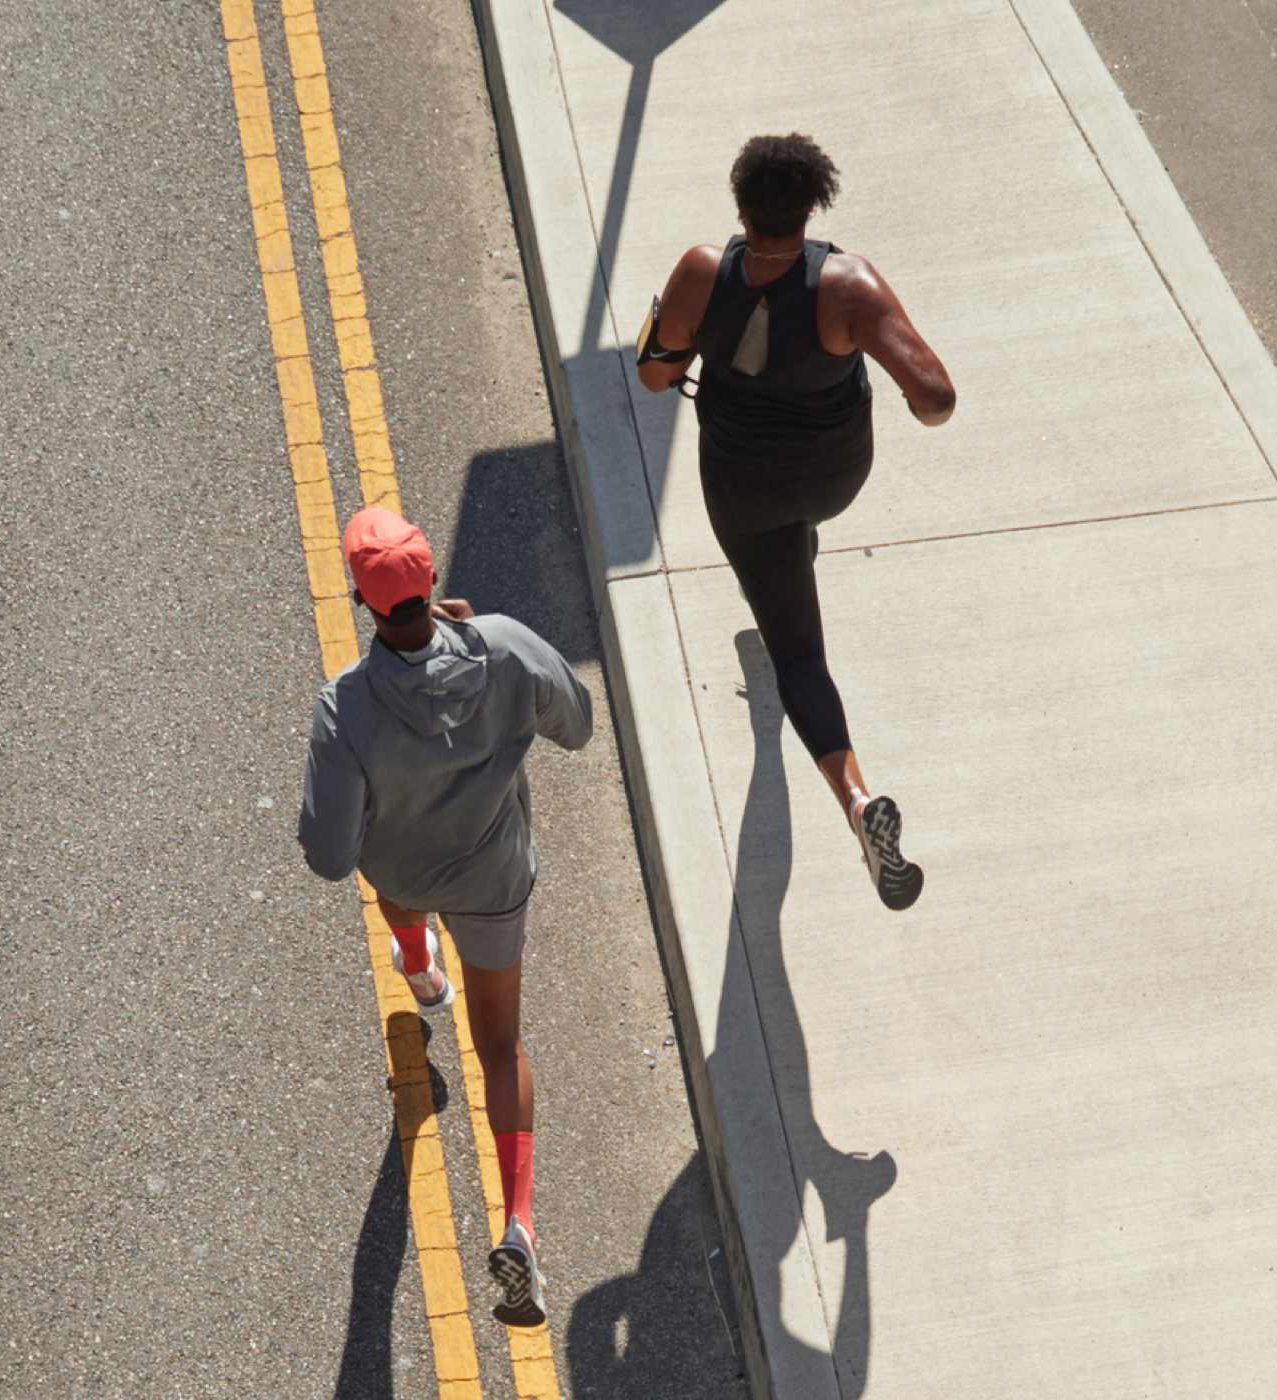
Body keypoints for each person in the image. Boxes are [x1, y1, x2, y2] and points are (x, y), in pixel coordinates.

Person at [636, 132, 955, 912]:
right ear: (815, 205)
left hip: (742, 485)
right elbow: (935, 396)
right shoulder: (848, 284)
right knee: (795, 540)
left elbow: (654, 375)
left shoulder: (701, 271)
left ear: (741, 206)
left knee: (798, 652)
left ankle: (855, 802)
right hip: (836, 472)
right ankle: (787, 572)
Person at [297, 506, 593, 1328]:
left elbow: (328, 855)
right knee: (498, 1046)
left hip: (405, 869)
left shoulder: (344, 709)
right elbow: (579, 723)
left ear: (362, 602)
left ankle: (418, 964)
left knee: (392, 882)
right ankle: (519, 1227)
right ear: (430, 584)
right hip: (494, 876)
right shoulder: (501, 644)